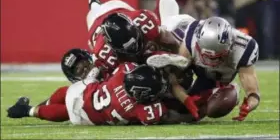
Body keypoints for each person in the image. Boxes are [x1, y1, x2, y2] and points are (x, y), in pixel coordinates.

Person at [136, 0, 260, 122]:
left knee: (200, 111)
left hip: (212, 77)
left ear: (229, 48)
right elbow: (174, 78)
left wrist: (251, 102)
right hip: (184, 38)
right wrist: (185, 98)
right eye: (206, 55)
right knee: (166, 31)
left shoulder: (243, 48)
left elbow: (252, 90)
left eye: (216, 57)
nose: (210, 60)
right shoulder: (191, 38)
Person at [7, 55, 194, 125]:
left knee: (67, 93)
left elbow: (138, 67)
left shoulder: (123, 72)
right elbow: (173, 117)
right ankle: (29, 110)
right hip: (89, 114)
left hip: (88, 90)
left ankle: (37, 107)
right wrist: (192, 116)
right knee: (68, 111)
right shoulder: (138, 110)